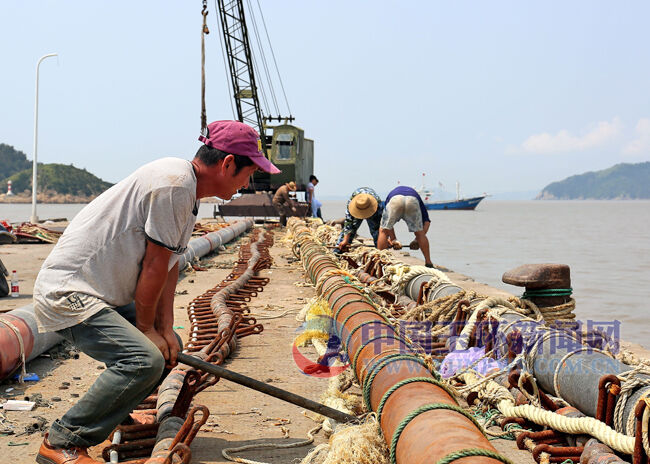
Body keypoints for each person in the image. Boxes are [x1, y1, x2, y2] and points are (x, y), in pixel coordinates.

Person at [33, 120, 280, 464]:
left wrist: (166, 328)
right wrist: (148, 330)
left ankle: (116, 412)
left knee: (167, 352)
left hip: (101, 293)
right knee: (143, 359)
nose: (247, 183)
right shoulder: (175, 184)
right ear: (227, 164)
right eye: (248, 172)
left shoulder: (187, 189)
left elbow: (168, 264)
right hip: (71, 292)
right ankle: (62, 440)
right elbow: (152, 267)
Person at [377, 185, 434, 267]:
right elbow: (427, 222)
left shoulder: (391, 194)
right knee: (420, 233)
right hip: (412, 201)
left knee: (383, 230)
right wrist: (417, 239)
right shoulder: (417, 197)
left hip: (395, 200)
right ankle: (428, 262)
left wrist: (393, 239)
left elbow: (387, 226)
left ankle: (380, 262)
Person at [334, 187, 383, 254]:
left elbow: (383, 224)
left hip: (371, 207)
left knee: (376, 231)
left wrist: (386, 238)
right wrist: (345, 240)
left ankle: (381, 253)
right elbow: (348, 224)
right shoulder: (351, 204)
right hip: (358, 206)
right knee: (350, 230)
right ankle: (338, 252)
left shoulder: (378, 205)